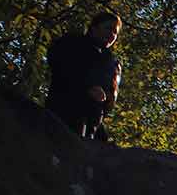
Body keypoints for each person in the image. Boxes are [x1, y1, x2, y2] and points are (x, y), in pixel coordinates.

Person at [46, 12, 122, 142]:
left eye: (115, 32)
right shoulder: (73, 43)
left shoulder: (111, 61)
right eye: (108, 28)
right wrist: (86, 87)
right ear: (94, 27)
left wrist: (108, 99)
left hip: (93, 120)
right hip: (64, 110)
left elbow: (109, 95)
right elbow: (59, 65)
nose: (112, 35)